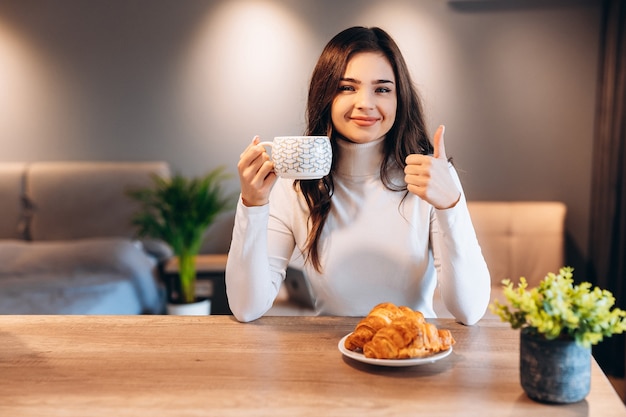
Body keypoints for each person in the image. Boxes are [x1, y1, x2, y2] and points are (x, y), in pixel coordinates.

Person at [225, 26, 490, 325]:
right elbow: (247, 307)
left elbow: (470, 309)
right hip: (329, 357)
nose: (365, 103)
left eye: (382, 89)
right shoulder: (294, 185)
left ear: (399, 99)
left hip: (413, 353)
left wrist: (450, 205)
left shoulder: (431, 177)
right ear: (325, 96)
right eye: (347, 87)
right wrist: (252, 204)